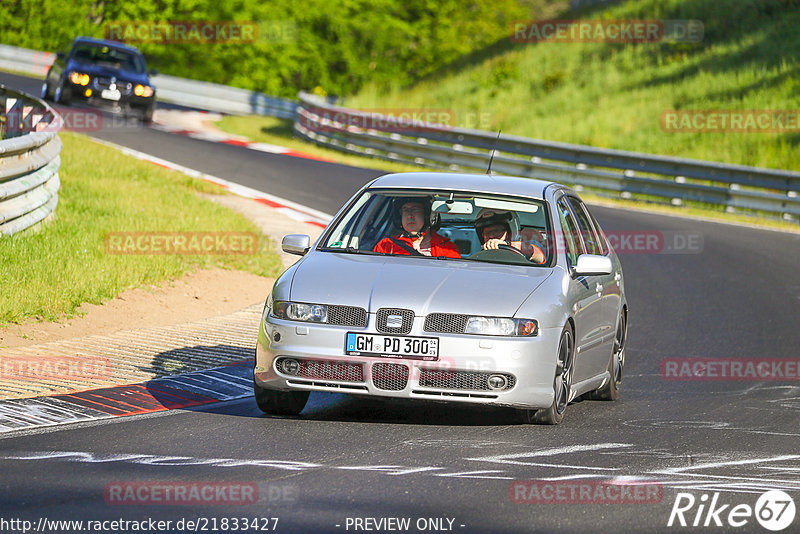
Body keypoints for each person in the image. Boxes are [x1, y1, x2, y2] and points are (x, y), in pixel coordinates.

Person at [373, 197, 461, 258]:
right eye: (405, 210)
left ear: (427, 216)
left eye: (415, 209)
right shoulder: (385, 246)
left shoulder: (447, 248)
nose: (409, 216)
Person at [474, 208, 547, 264]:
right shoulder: (475, 251)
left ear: (511, 231)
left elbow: (538, 255)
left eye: (497, 231)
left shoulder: (528, 245)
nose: (492, 235)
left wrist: (507, 245)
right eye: (487, 232)